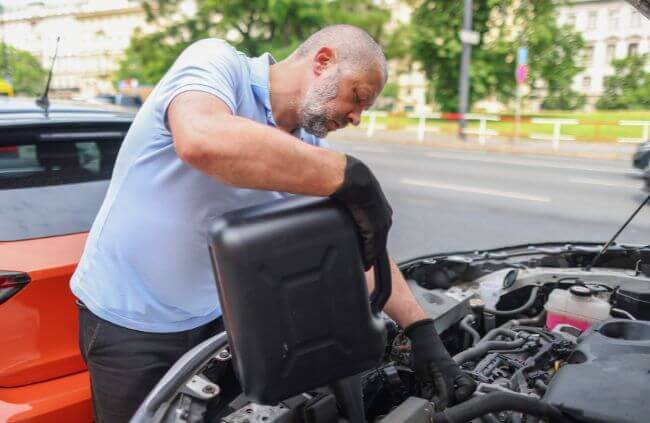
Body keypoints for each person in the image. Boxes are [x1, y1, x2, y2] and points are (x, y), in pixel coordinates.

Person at [70, 24, 475, 422]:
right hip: (130, 322)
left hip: (217, 323)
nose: (356, 117)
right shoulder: (217, 63)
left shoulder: (307, 149)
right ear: (322, 61)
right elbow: (200, 138)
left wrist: (421, 332)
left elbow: (360, 251)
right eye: (357, 97)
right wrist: (349, 175)